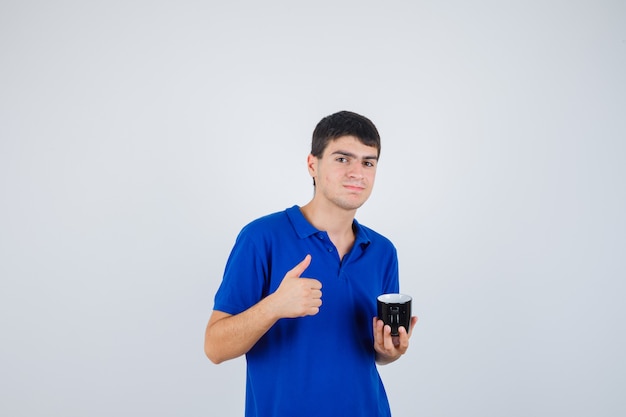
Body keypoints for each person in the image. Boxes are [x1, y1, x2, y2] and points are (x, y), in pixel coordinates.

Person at [204, 110, 418, 417]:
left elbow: (371, 351)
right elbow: (214, 347)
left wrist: (389, 351)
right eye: (342, 159)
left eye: (368, 162)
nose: (357, 172)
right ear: (312, 165)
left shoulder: (383, 251)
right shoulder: (261, 237)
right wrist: (274, 306)